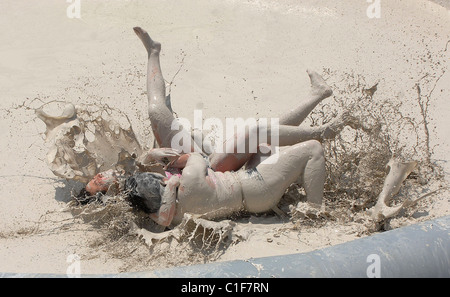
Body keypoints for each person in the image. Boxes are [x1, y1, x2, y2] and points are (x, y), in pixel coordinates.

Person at [85, 27, 360, 227]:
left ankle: (153, 52)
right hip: (213, 174)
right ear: (108, 194)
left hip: (210, 176)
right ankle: (319, 130)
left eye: (95, 177)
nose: (99, 175)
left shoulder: (139, 189)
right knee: (261, 137)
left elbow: (166, 216)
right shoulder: (142, 194)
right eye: (98, 182)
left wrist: (165, 165)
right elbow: (187, 172)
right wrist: (168, 159)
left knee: (157, 110)